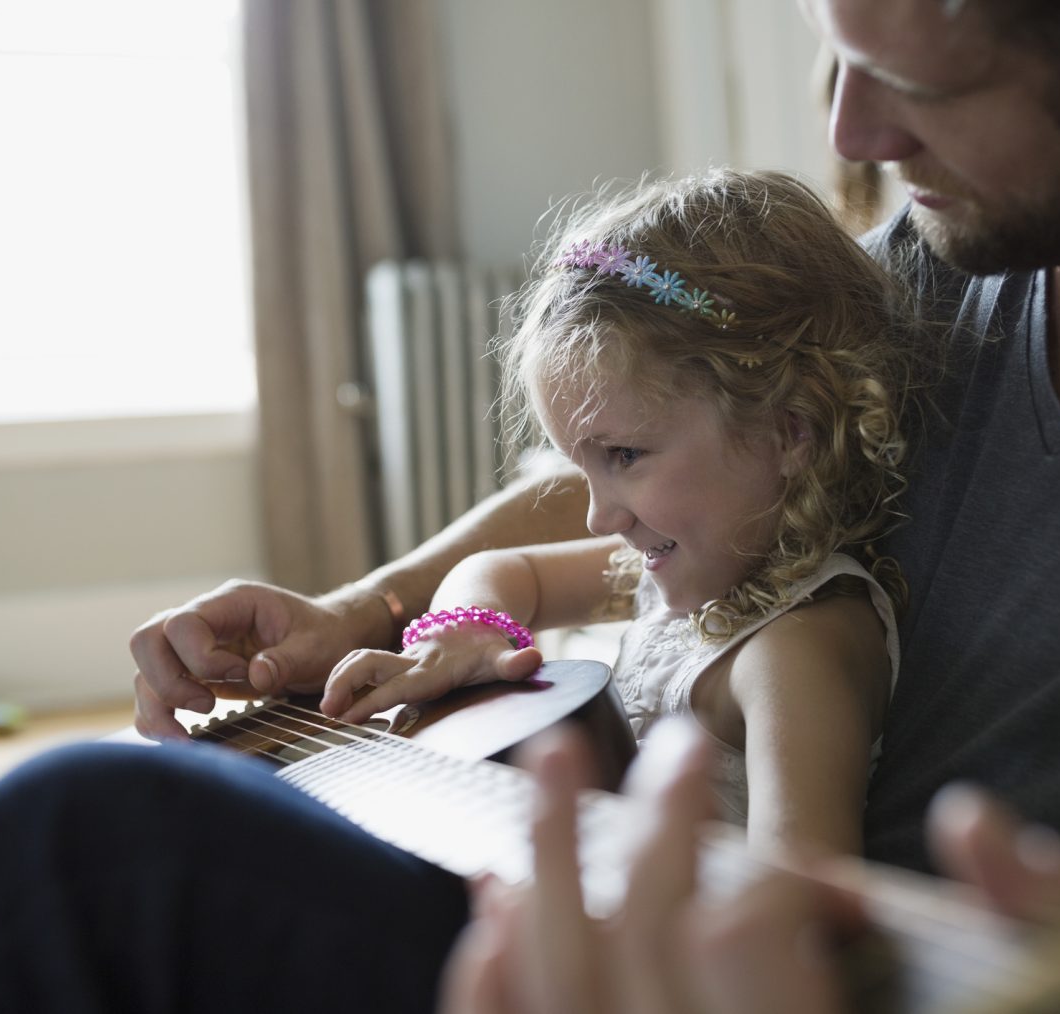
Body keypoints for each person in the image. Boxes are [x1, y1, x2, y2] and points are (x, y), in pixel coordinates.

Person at [0, 0, 1060, 1010]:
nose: (848, 136)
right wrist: (360, 614)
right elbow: (653, 455)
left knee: (89, 845)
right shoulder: (980, 249)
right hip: (644, 922)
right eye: (835, 46)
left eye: (919, 83)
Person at [316, 169, 914, 854]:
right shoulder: (690, 570)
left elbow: (797, 908)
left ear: (789, 432)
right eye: (582, 466)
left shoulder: (791, 649)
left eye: (625, 455)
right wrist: (466, 635)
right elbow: (505, 571)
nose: (600, 518)